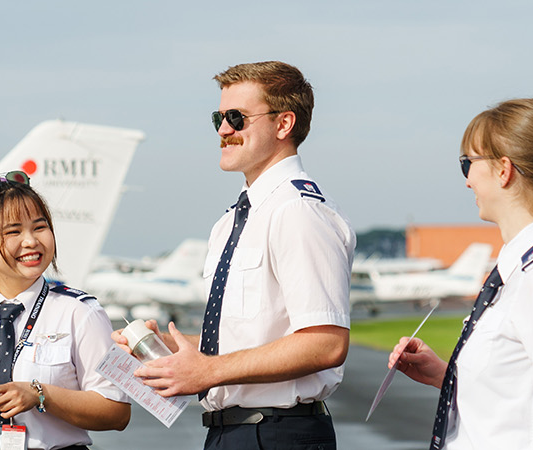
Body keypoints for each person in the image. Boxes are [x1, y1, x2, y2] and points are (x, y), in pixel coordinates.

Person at [114, 61, 356, 450]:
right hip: (232, 432)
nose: (223, 130)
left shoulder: (297, 211)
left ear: (283, 124)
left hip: (275, 433)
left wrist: (209, 371)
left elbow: (325, 343)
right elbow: (251, 337)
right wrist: (170, 348)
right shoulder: (233, 221)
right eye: (219, 118)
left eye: (236, 118)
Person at [388, 98, 533, 450]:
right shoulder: (520, 264)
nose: (467, 181)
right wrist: (445, 376)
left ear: (504, 169)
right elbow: (518, 397)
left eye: (468, 163)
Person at [0, 171, 131, 450]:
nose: (31, 241)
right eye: (13, 232)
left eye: (39, 227)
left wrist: (40, 395)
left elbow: (117, 412)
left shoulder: (81, 312)